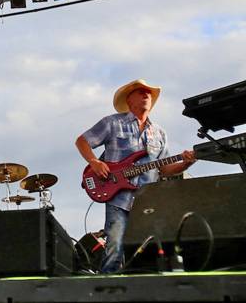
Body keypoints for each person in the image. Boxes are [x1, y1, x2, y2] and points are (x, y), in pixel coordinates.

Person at [75, 79, 196, 273]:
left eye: (148, 93)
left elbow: (164, 169)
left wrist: (187, 162)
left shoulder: (159, 133)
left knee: (147, 248)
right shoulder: (113, 123)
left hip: (147, 201)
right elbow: (82, 141)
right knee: (114, 247)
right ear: (129, 100)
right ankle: (107, 289)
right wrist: (95, 162)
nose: (146, 95)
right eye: (140, 92)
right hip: (119, 198)